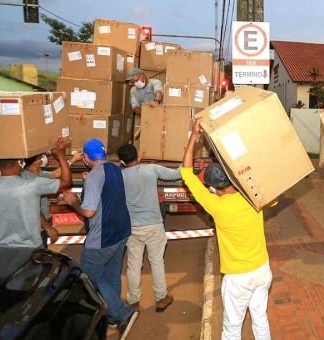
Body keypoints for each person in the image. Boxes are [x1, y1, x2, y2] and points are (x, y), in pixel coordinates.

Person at [181, 119, 273, 340]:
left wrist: (194, 136)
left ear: (213, 188)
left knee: (232, 328)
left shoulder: (216, 206)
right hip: (262, 270)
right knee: (260, 317)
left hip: (238, 277)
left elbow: (186, 173)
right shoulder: (253, 198)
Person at [63, 139, 138, 340]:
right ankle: (114, 317)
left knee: (90, 274)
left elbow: (88, 212)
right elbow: (106, 192)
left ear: (86, 157)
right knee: (111, 274)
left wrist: (73, 202)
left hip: (103, 236)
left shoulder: (95, 176)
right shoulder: (114, 168)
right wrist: (91, 181)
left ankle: (124, 314)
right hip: (121, 231)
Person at [0, 136, 72, 249]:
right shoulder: (32, 184)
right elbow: (66, 181)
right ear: (20, 162)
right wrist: (61, 156)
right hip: (29, 248)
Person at [117, 144, 181, 313]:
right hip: (153, 225)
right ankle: (161, 298)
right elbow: (177, 174)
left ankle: (133, 301)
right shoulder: (151, 169)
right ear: (138, 155)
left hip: (131, 227)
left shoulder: (119, 175)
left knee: (133, 265)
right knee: (157, 263)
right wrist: (185, 156)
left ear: (121, 161)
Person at [21, 152, 84, 247]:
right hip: (34, 227)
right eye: (40, 157)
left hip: (38, 226)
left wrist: (73, 160)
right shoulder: (31, 181)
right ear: (36, 163)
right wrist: (47, 227)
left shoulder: (38, 174)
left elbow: (55, 174)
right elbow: (32, 209)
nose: (43, 158)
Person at [126, 68, 164, 146]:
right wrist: (145, 112)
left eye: (136, 80)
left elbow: (159, 92)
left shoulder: (155, 82)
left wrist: (156, 101)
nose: (135, 83)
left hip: (161, 117)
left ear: (142, 76)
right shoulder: (133, 90)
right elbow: (135, 106)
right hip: (146, 119)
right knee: (149, 142)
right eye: (133, 82)